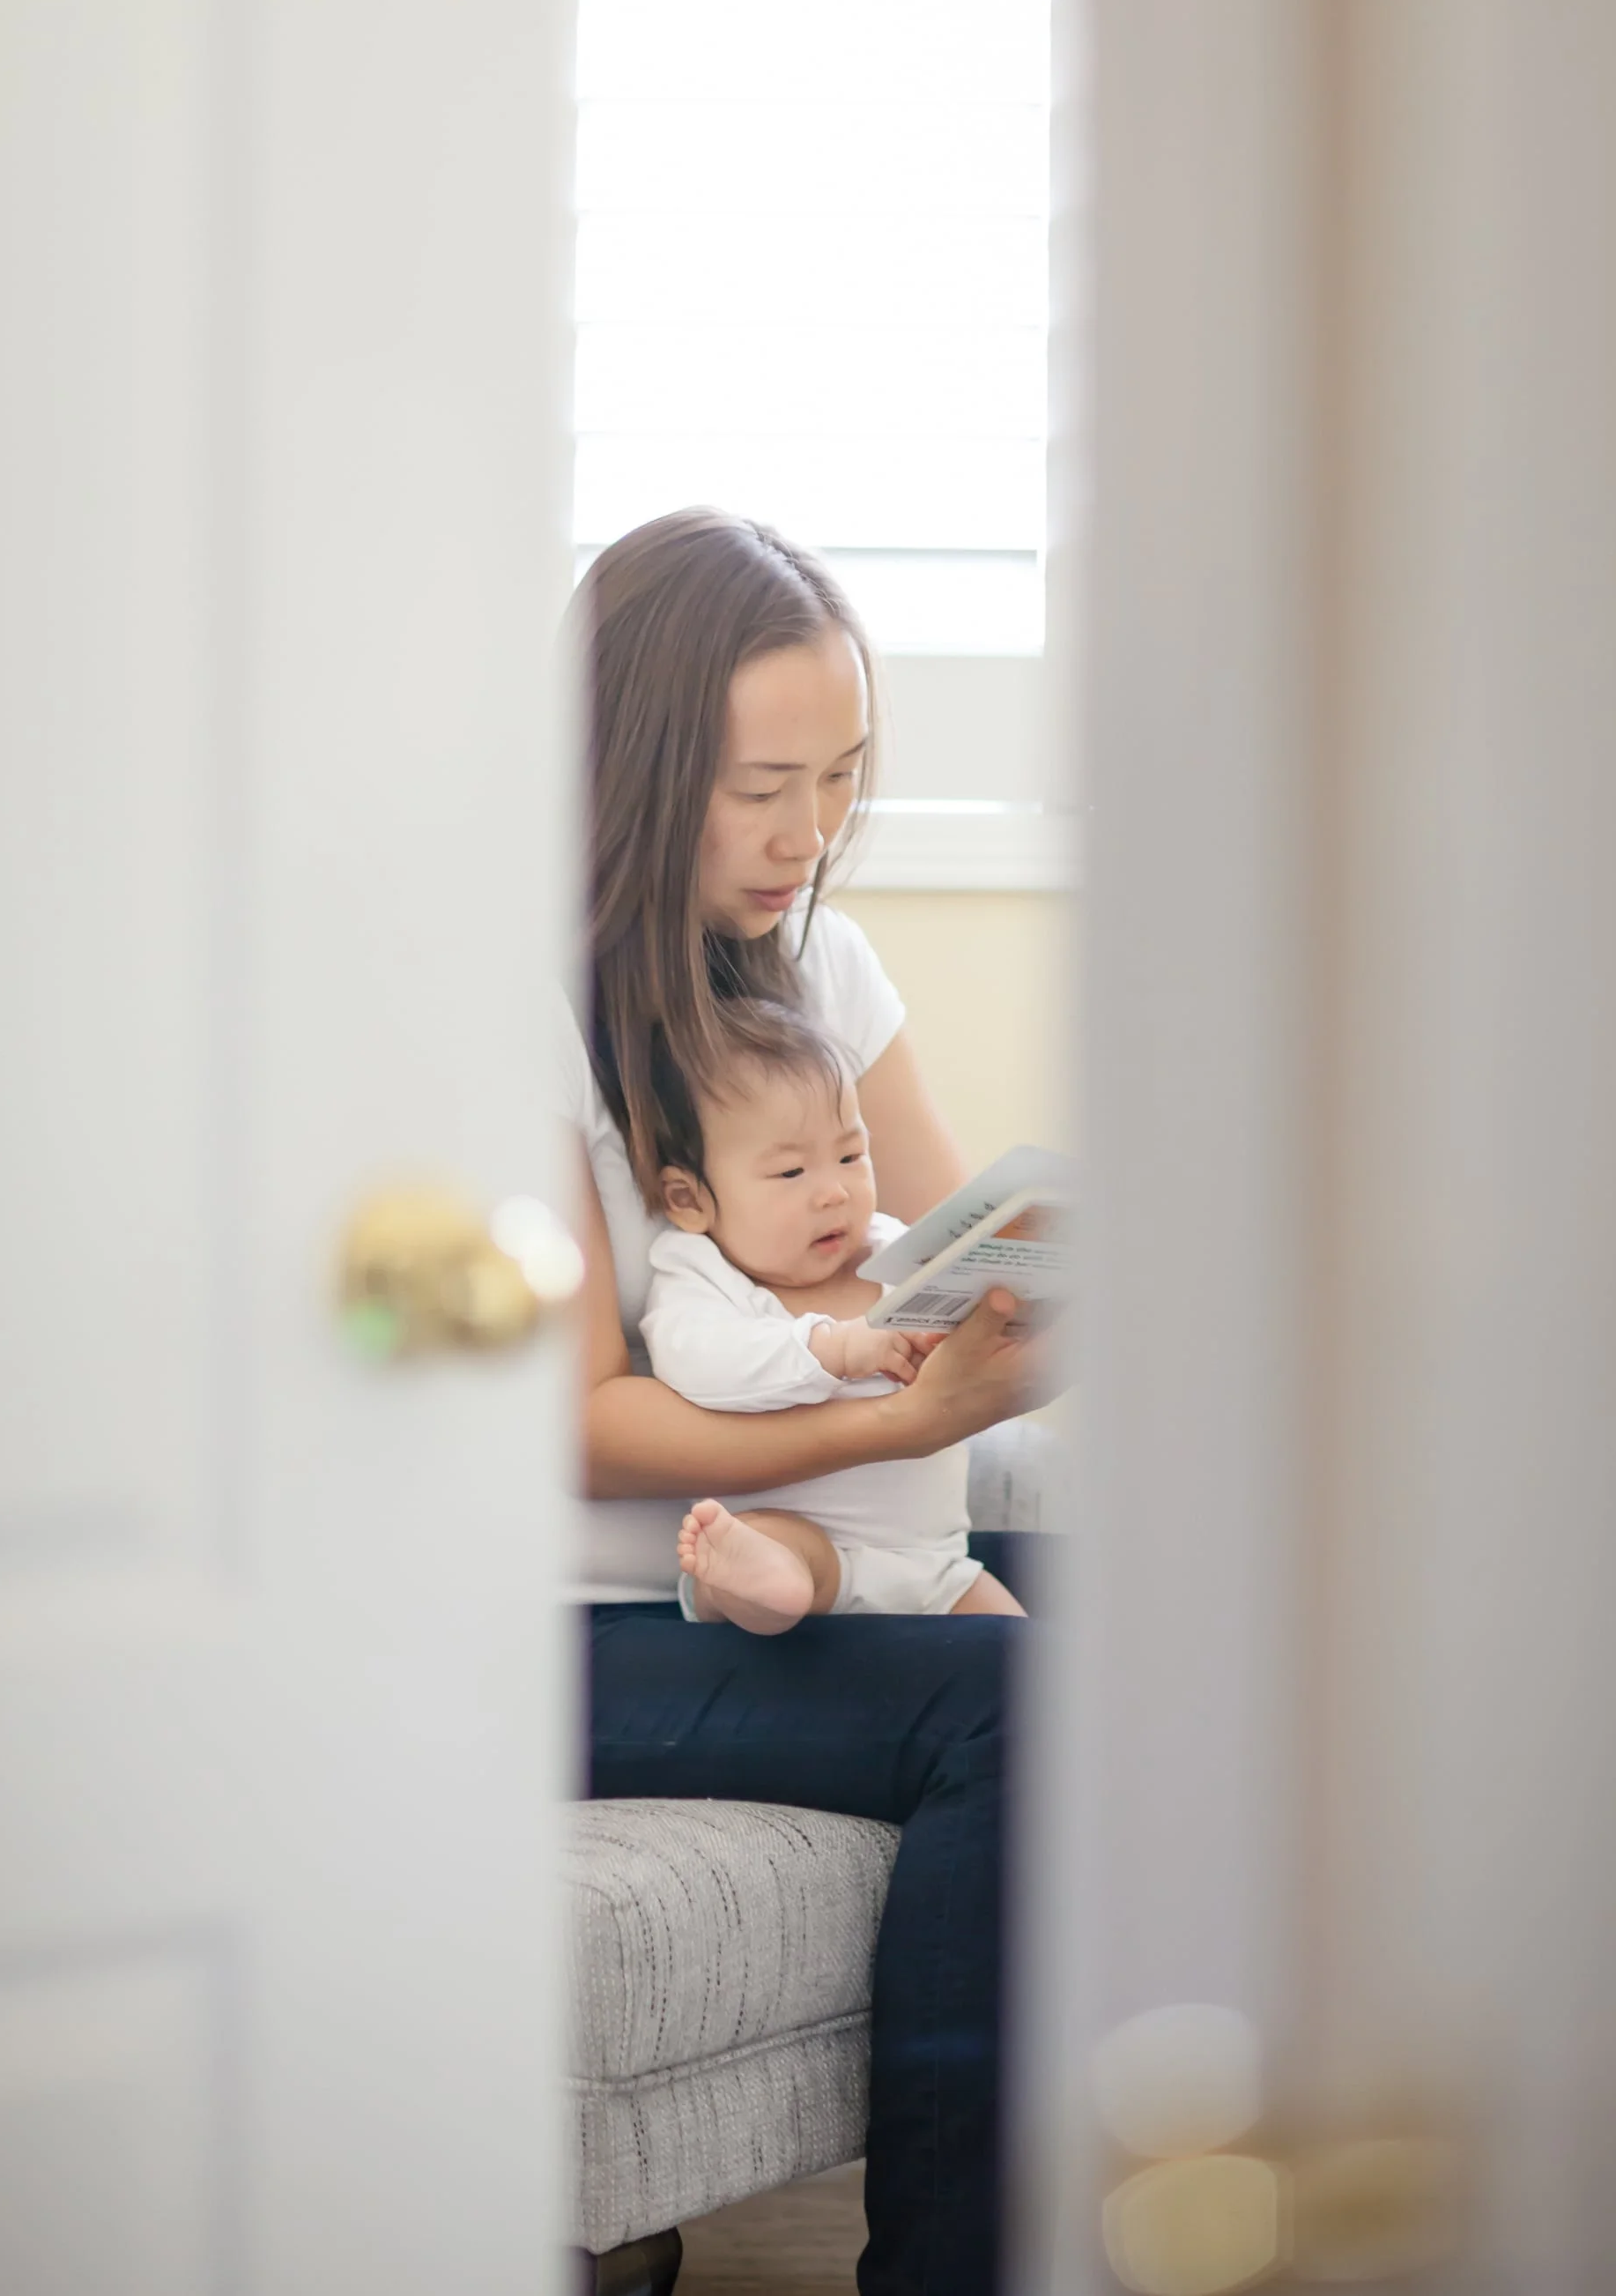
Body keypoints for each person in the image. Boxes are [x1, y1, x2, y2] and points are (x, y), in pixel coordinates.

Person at [563, 507, 1049, 2296]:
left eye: (839, 778)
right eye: (759, 786)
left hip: (821, 1567)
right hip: (585, 1620)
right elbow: (576, 1420)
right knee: (1027, 1701)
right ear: (631, 767)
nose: (806, 836)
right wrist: (894, 1425)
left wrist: (1039, 1315)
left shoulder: (819, 967)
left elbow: (939, 1257)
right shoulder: (520, 1006)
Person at [638, 993, 1026, 1630]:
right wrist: (838, 1348)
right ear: (687, 1198)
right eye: (791, 1171)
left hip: (933, 1566)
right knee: (769, 1555)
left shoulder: (893, 1251)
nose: (834, 1191)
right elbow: (699, 1364)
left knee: (1033, 1668)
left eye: (851, 1156)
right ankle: (746, 1583)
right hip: (802, 1543)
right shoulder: (700, 1273)